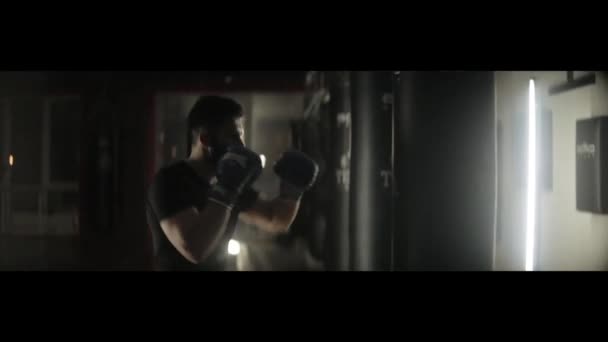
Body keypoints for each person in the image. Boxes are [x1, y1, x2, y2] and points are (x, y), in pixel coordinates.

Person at [145, 95, 318, 271]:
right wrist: (227, 190)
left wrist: (292, 190)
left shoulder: (229, 182)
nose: (241, 145)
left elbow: (274, 219)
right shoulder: (170, 181)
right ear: (206, 140)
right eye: (234, 136)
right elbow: (194, 249)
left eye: (241, 136)